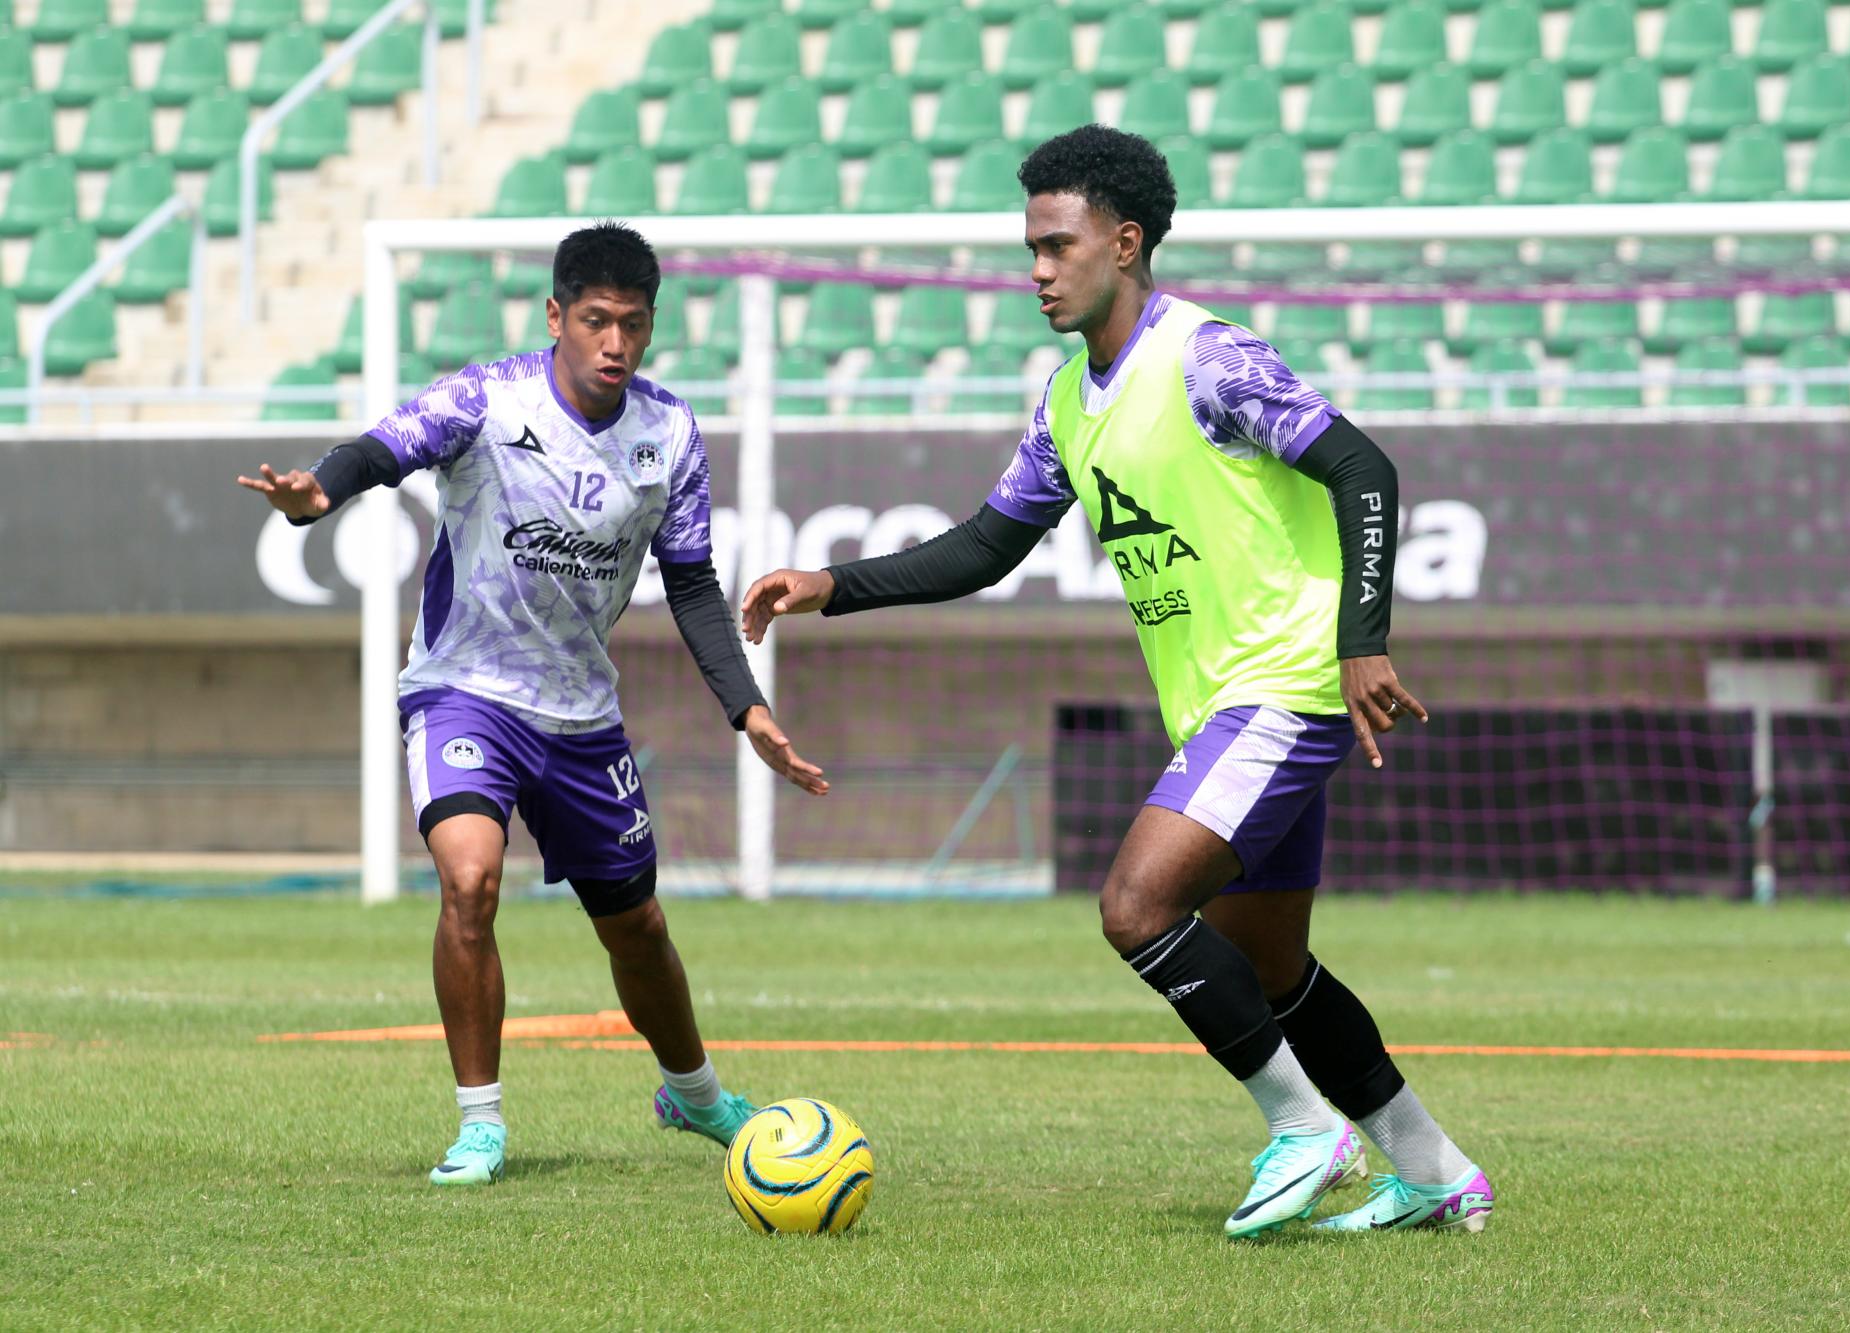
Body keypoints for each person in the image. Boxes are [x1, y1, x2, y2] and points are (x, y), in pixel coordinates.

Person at [741, 127, 1491, 1238]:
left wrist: (1360, 640)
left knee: (1136, 906)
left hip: (1284, 686)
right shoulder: (1065, 402)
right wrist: (830, 585)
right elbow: (986, 547)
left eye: (1057, 245)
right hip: (1224, 706)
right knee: (1270, 965)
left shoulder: (1208, 359)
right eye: (1029, 250)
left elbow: (1360, 467)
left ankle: (1299, 1125)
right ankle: (1433, 1171)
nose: (1036, 271)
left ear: (1124, 242)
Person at [238, 222, 828, 1187]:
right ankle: (480, 1123)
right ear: (556, 315)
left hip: (581, 715)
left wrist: (746, 709)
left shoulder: (670, 434)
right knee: (470, 879)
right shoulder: (486, 397)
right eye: (596, 321)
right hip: (462, 690)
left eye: (635, 326)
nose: (615, 345)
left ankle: (695, 1093)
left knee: (635, 926)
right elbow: (380, 448)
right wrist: (320, 493)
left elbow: (689, 584)